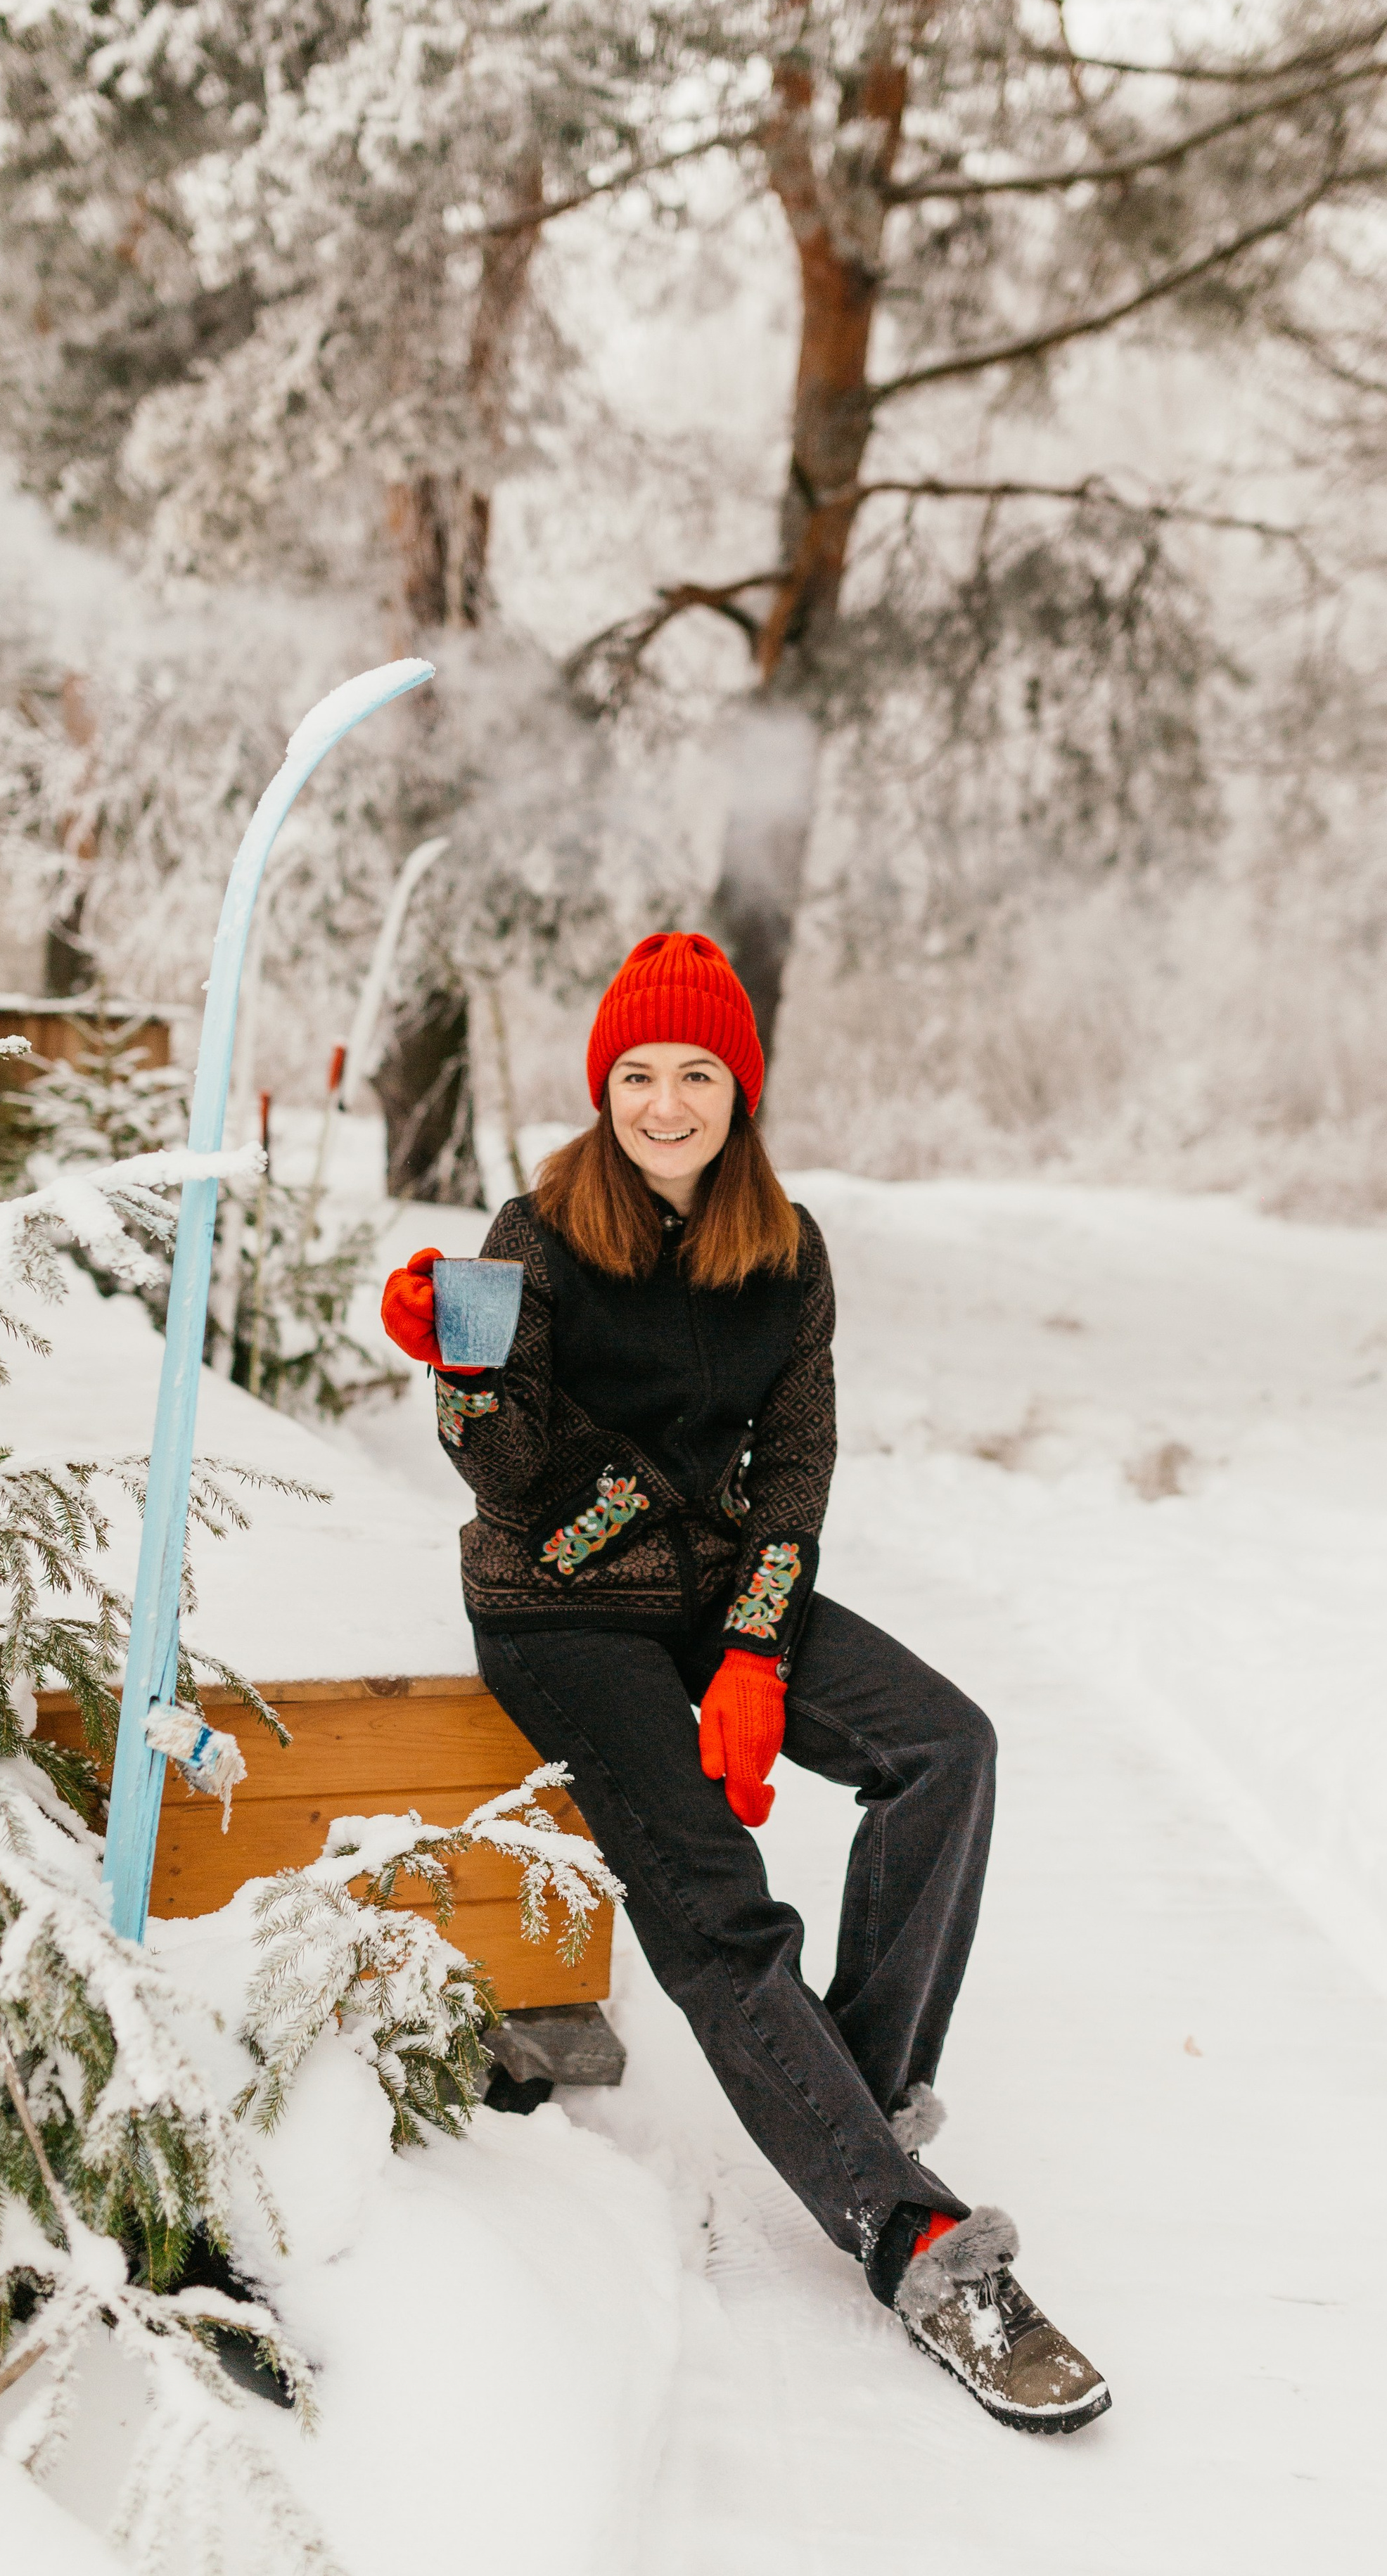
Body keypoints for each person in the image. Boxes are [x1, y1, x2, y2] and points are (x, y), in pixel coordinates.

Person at [381, 932, 1109, 2433]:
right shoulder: (529, 1232)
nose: (663, 1102)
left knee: (943, 1747)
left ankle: (855, 2099)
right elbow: (503, 1478)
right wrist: (463, 1369)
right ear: (604, 1089)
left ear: (738, 1090)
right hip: (557, 1609)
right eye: (636, 1075)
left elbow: (793, 1469)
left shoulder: (784, 1251)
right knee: (715, 1905)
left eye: (695, 1073)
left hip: (714, 1584)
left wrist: (757, 1650)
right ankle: (910, 2238)